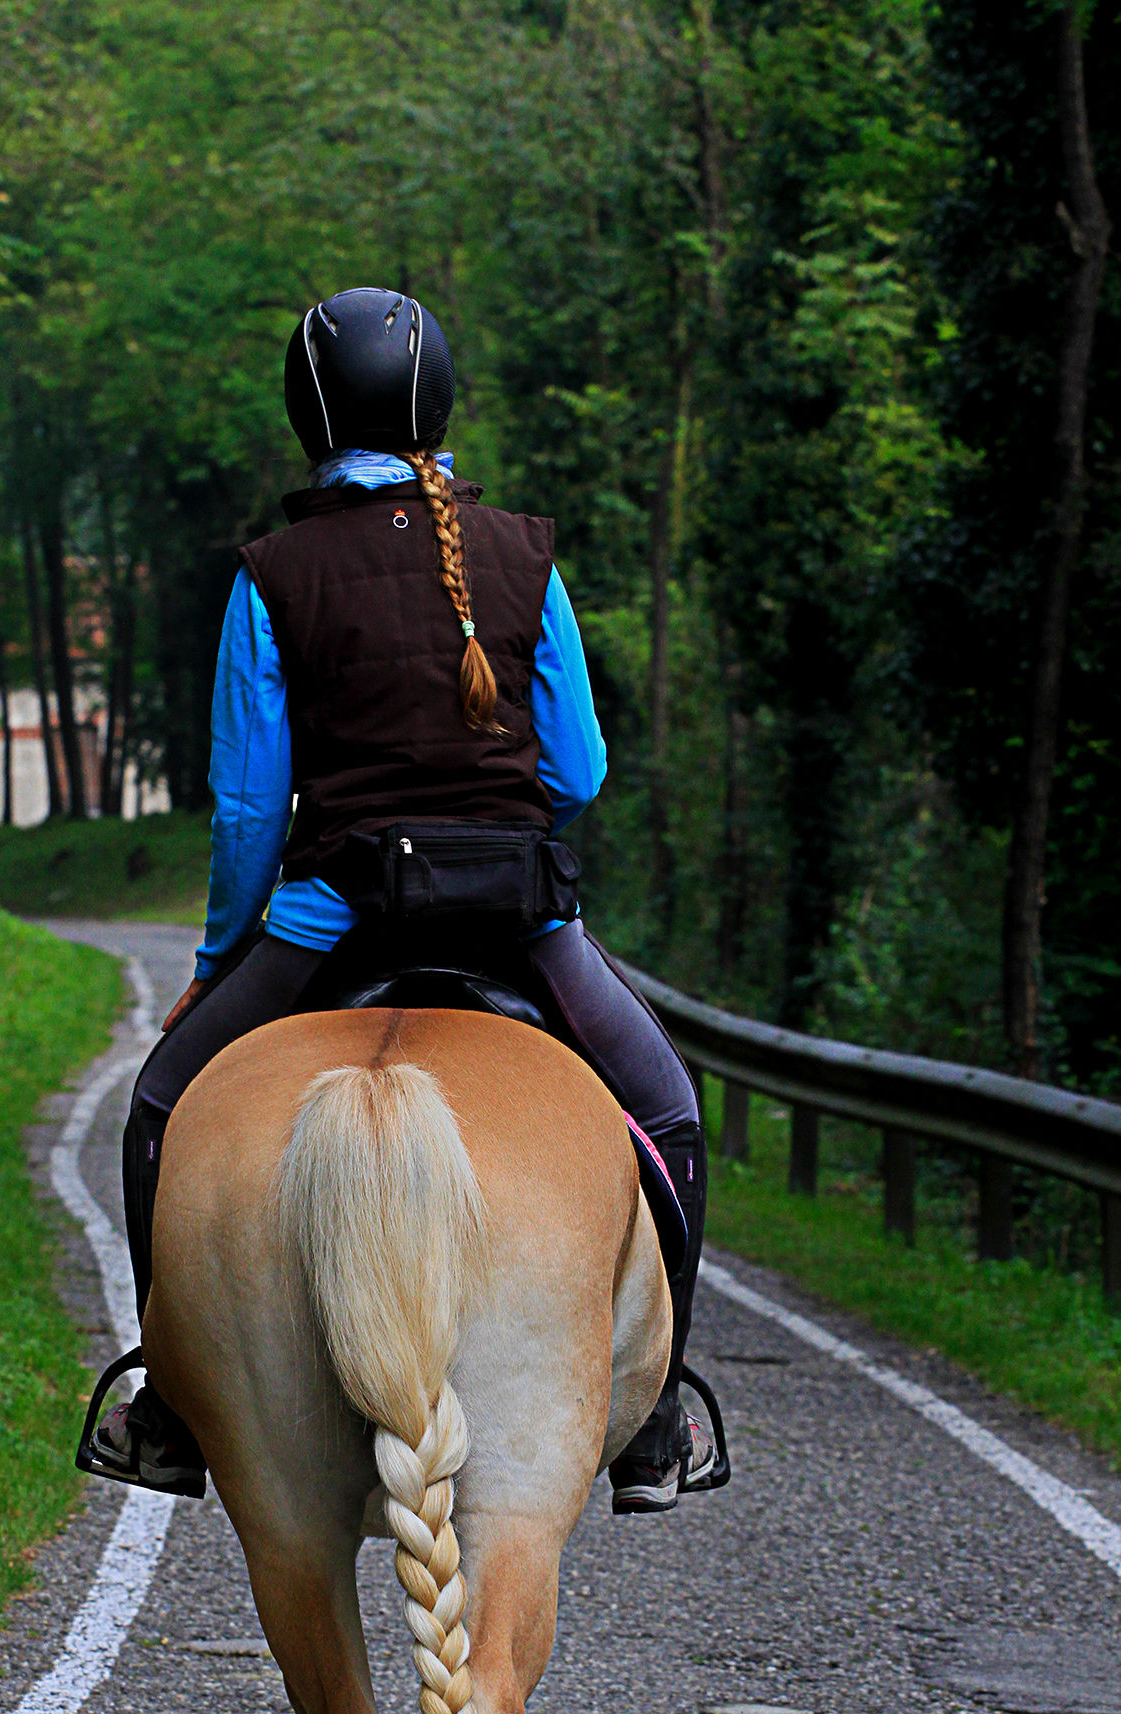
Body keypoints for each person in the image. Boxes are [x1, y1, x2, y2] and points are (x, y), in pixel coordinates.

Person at [87, 285, 717, 1514]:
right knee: (670, 1115)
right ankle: (653, 1422)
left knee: (160, 1110)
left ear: (306, 415)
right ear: (440, 401)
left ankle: (168, 1411)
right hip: (518, 922)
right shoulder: (523, 550)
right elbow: (577, 771)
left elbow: (250, 815)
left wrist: (222, 963)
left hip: (333, 918)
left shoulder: (272, 574)